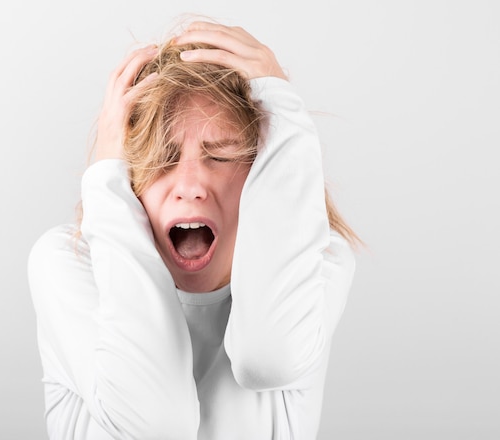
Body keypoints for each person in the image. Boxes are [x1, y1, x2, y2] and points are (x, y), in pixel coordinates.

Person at [28, 20, 361, 440]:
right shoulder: (67, 263)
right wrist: (105, 180)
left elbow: (268, 357)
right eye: (162, 159)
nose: (190, 187)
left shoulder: (321, 262)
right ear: (125, 179)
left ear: (261, 176)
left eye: (220, 156)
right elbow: (155, 424)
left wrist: (283, 111)